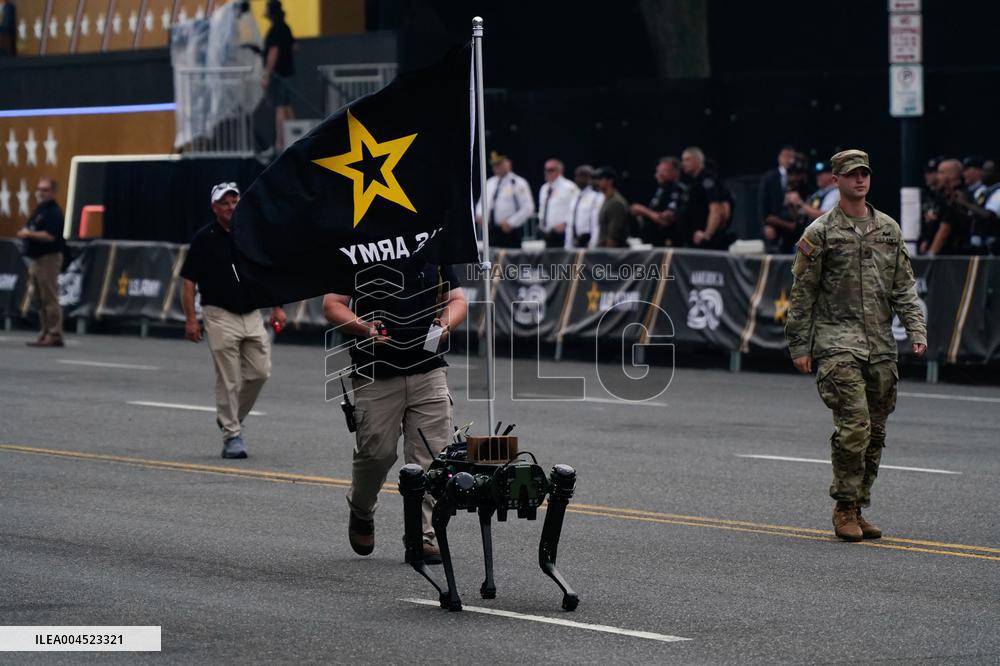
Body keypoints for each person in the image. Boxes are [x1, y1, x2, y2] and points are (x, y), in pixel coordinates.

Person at [785, 149, 927, 543]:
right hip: (836, 342)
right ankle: (844, 507)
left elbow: (903, 286)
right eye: (851, 175)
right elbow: (803, 293)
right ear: (836, 181)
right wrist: (800, 343)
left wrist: (917, 329)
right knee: (855, 427)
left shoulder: (888, 230)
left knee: (875, 433)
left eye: (864, 173)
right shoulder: (820, 233)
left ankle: (859, 505)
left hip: (880, 345)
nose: (859, 180)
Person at [323, 257, 467, 564]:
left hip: (428, 369)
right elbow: (333, 304)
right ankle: (361, 510)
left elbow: (456, 299)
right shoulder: (357, 247)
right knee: (376, 453)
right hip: (375, 371)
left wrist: (445, 324)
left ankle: (423, 536)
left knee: (432, 456)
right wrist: (363, 328)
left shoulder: (431, 245)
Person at [180, 182, 286, 459]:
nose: (230, 207)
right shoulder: (204, 238)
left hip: (251, 313)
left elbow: (268, 271)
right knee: (228, 377)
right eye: (224, 203)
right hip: (218, 313)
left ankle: (231, 417)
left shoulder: (251, 234)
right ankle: (232, 436)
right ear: (214, 207)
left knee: (260, 372)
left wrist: (278, 307)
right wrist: (192, 319)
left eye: (234, 202)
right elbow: (189, 281)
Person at [17, 178, 65, 347]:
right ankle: (45, 332)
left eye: (44, 190)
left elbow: (50, 236)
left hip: (48, 258)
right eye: (38, 189)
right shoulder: (40, 210)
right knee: (39, 297)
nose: (40, 192)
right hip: (37, 258)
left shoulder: (53, 212)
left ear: (52, 192)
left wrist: (28, 234)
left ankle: (55, 333)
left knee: (49, 297)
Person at [475, 152, 534, 249]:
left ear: (508, 163)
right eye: (494, 165)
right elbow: (482, 202)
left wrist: (511, 222)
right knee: (493, 261)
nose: (496, 167)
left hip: (509, 231)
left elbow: (528, 207)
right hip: (491, 230)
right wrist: (480, 215)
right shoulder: (490, 183)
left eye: (499, 164)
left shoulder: (517, 183)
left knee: (511, 262)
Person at [261, 0, 296, 152]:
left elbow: (273, 53)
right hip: (287, 73)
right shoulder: (286, 28)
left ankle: (279, 144)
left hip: (279, 75)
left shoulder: (275, 30)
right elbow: (294, 47)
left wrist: (267, 75)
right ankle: (296, 139)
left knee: (280, 109)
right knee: (287, 107)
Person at [922, 159, 971, 256]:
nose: (937, 176)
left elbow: (945, 228)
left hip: (955, 254)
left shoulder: (960, 196)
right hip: (944, 253)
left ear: (952, 175)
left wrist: (931, 254)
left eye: (940, 172)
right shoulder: (941, 195)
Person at [630, 156, 681, 246]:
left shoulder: (678, 191)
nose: (659, 174)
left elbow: (665, 221)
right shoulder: (660, 189)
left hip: (669, 243)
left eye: (664, 171)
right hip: (652, 241)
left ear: (675, 172)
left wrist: (643, 210)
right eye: (658, 171)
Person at [537, 158, 579, 248]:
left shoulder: (569, 187)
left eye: (551, 170)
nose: (547, 172)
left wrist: (565, 224)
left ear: (560, 171)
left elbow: (576, 209)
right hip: (546, 233)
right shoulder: (544, 188)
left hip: (562, 233)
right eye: (546, 170)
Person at [565, 165, 603, 248]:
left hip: (588, 242)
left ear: (588, 178)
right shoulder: (575, 196)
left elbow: (596, 224)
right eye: (576, 176)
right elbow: (570, 223)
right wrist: (568, 245)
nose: (576, 179)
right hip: (574, 242)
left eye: (580, 176)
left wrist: (593, 244)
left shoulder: (596, 197)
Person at [594, 166, 629, 248]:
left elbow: (613, 235)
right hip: (602, 250)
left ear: (610, 181)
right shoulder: (606, 200)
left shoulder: (616, 202)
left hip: (611, 254)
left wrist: (608, 256)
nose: (597, 182)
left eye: (600, 179)